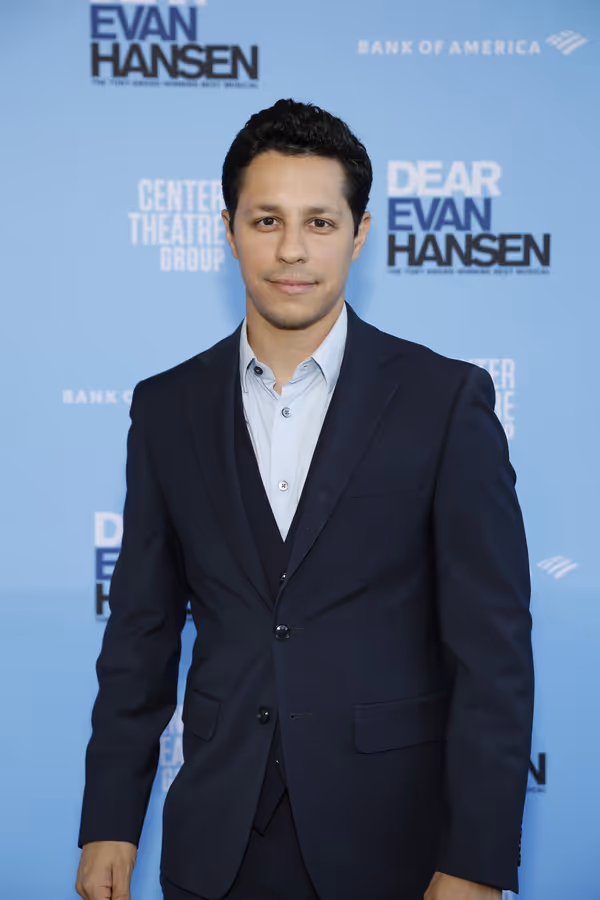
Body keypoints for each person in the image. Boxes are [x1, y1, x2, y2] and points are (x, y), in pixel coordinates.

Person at [75, 99, 534, 900]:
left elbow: (492, 655)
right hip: (214, 846)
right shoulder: (166, 407)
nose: (292, 250)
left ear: (359, 235)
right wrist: (110, 819)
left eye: (320, 223)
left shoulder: (444, 400)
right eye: (266, 220)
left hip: (393, 845)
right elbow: (141, 631)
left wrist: (475, 862)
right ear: (228, 230)